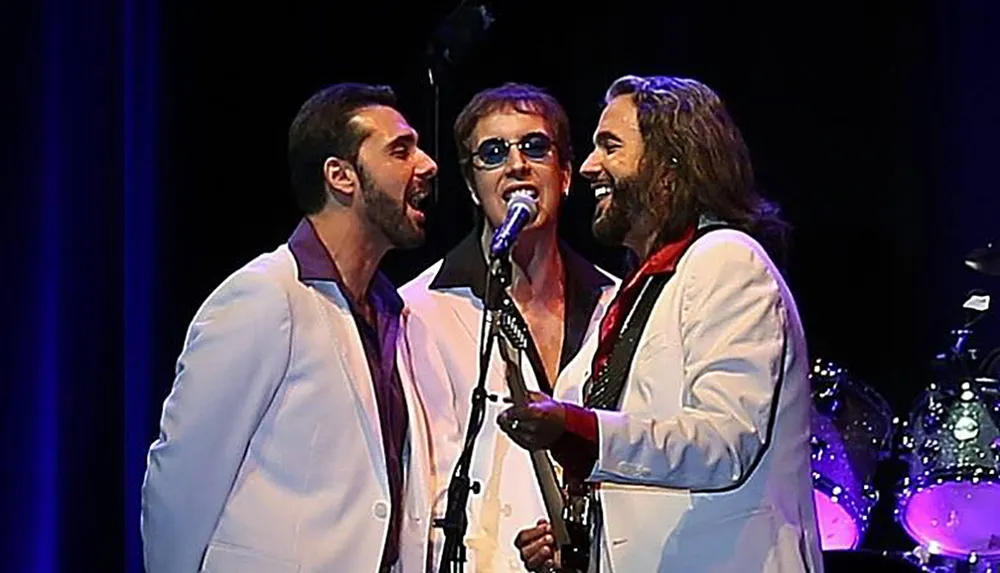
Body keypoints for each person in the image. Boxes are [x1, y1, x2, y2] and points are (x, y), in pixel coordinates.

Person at [498, 74, 823, 573]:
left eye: (610, 145)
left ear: (671, 167)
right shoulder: (628, 296)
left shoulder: (728, 261)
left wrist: (576, 428)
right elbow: (636, 469)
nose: (588, 166)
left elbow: (723, 439)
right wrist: (577, 537)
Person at [141, 82, 439, 573]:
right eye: (400, 150)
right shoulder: (265, 297)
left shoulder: (395, 312)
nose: (427, 164)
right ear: (341, 177)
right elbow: (183, 479)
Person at [398, 83, 619, 572]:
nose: (517, 164)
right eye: (493, 153)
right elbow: (423, 484)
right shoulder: (420, 310)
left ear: (564, 173)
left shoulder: (615, 302)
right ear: (473, 186)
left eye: (535, 146)